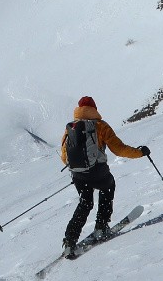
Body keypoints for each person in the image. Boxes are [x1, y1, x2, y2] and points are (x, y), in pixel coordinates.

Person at [60, 95, 148, 257]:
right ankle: (101, 226)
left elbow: (64, 157)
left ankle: (69, 241)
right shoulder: (100, 126)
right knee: (108, 186)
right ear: (94, 109)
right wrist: (140, 153)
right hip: (97, 171)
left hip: (78, 174)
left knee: (85, 203)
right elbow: (119, 149)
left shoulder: (70, 127)